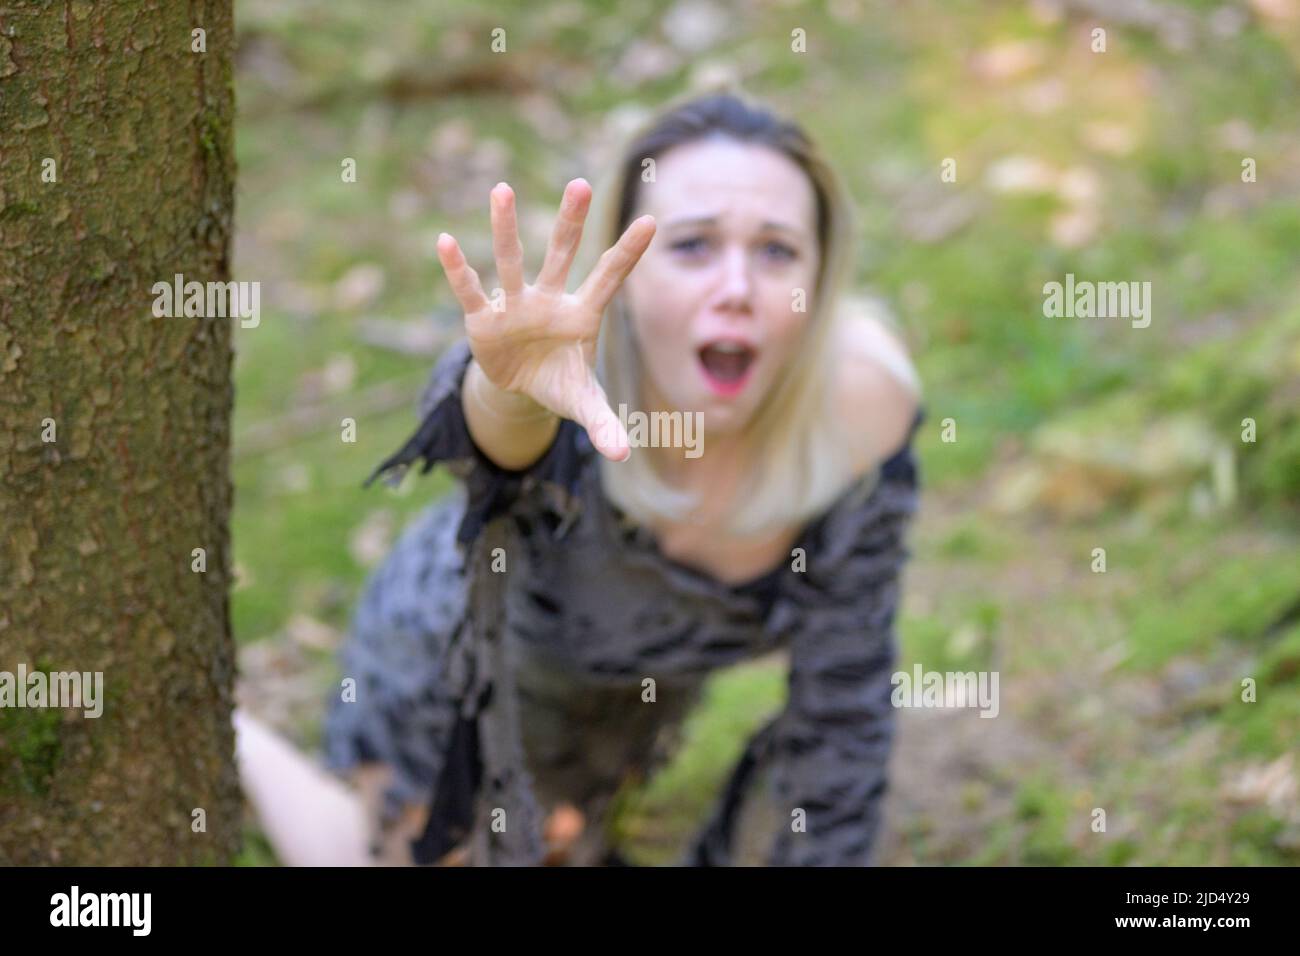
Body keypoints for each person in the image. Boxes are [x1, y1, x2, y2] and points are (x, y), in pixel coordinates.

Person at [235, 90, 924, 866]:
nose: (737, 286)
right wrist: (506, 387)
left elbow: (845, 695)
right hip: (459, 680)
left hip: (630, 708)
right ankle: (231, 731)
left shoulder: (862, 408)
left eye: (776, 250)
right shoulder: (568, 383)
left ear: (821, 276)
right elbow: (496, 441)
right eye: (693, 246)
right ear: (624, 276)